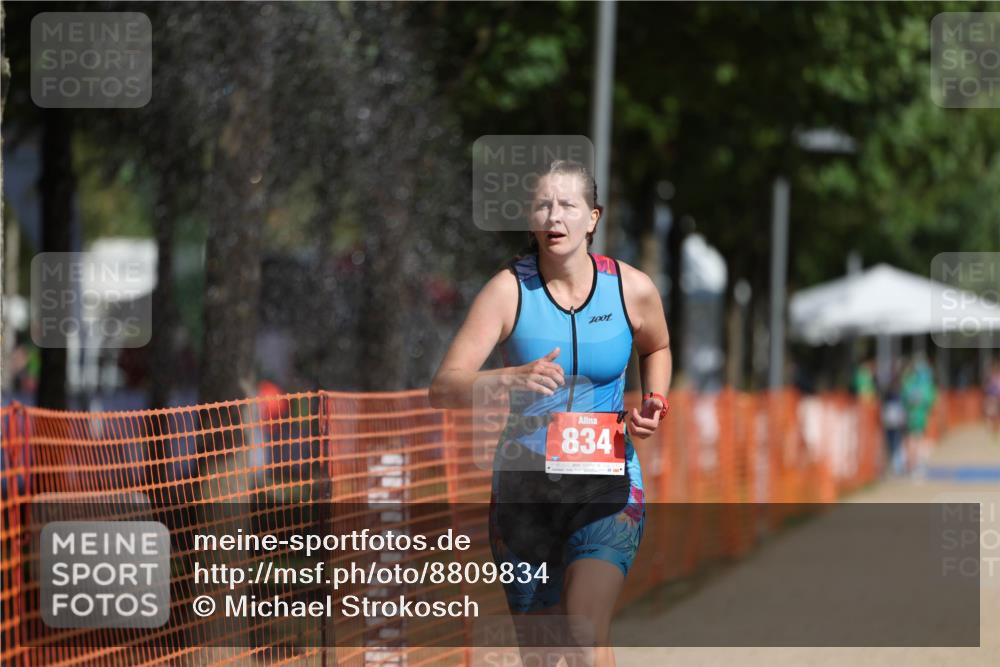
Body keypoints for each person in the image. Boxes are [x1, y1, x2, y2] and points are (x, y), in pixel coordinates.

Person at [429, 159, 671, 667]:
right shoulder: (507, 291)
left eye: (567, 205)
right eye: (543, 205)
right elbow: (444, 388)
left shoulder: (631, 289)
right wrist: (507, 378)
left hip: (607, 486)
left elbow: (657, 346)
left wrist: (655, 400)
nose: (553, 216)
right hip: (526, 492)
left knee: (582, 631)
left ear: (593, 217)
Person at [984, 361, 1000, 439]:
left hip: (995, 399)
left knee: (995, 415)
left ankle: (995, 430)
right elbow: (987, 389)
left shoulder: (996, 379)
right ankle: (992, 429)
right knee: (991, 415)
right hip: (991, 398)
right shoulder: (991, 379)